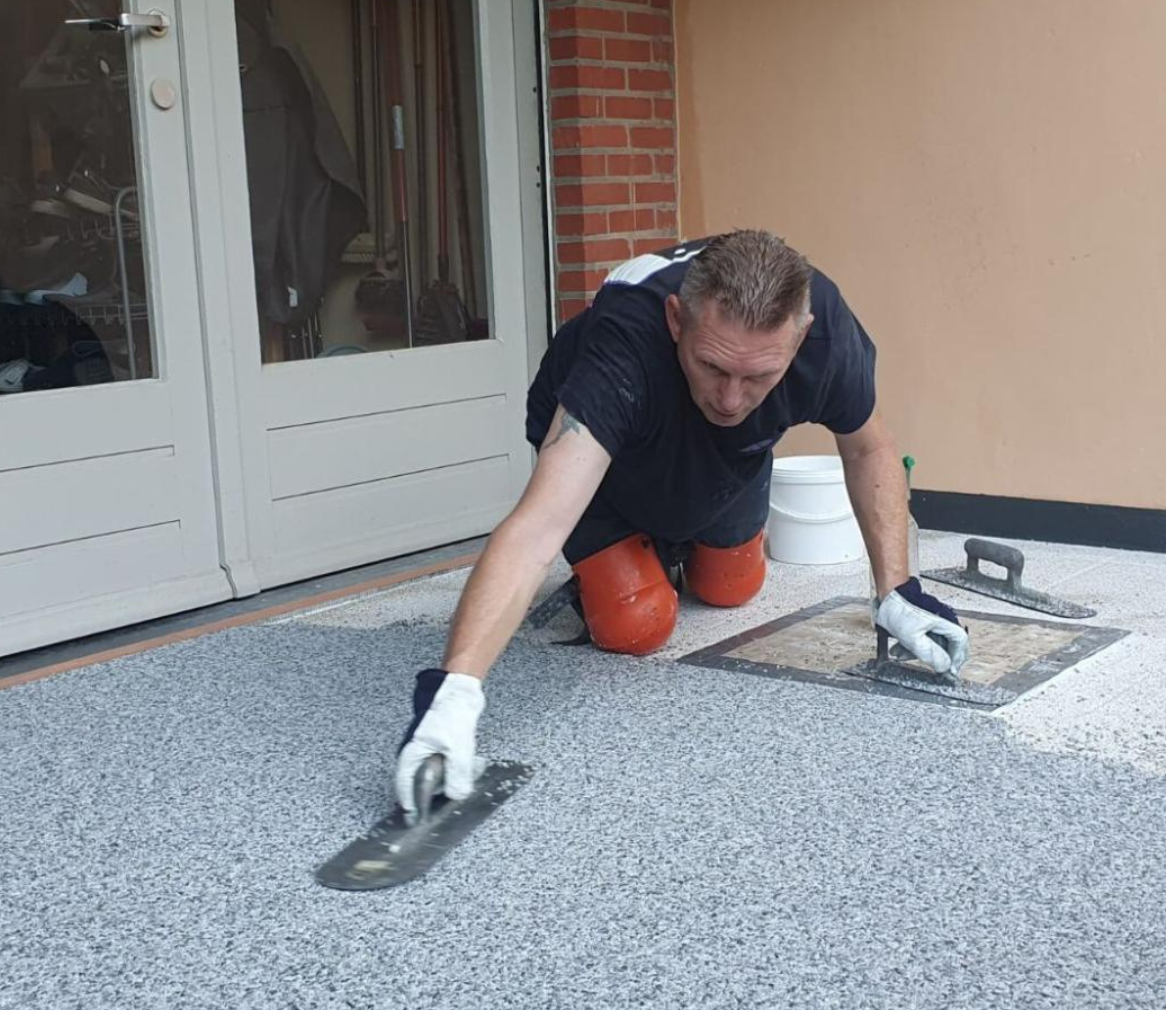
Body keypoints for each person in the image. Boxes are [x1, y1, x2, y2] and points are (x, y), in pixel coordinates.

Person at [394, 230, 969, 818]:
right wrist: (454, 694)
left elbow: (869, 448)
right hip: (614, 459)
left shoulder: (826, 335)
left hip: (725, 454)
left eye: (759, 376)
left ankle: (678, 537)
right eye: (712, 365)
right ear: (676, 320)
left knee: (732, 586)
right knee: (636, 624)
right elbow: (538, 525)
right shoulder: (621, 346)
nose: (731, 398)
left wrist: (898, 591)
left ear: (798, 338)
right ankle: (631, 547)